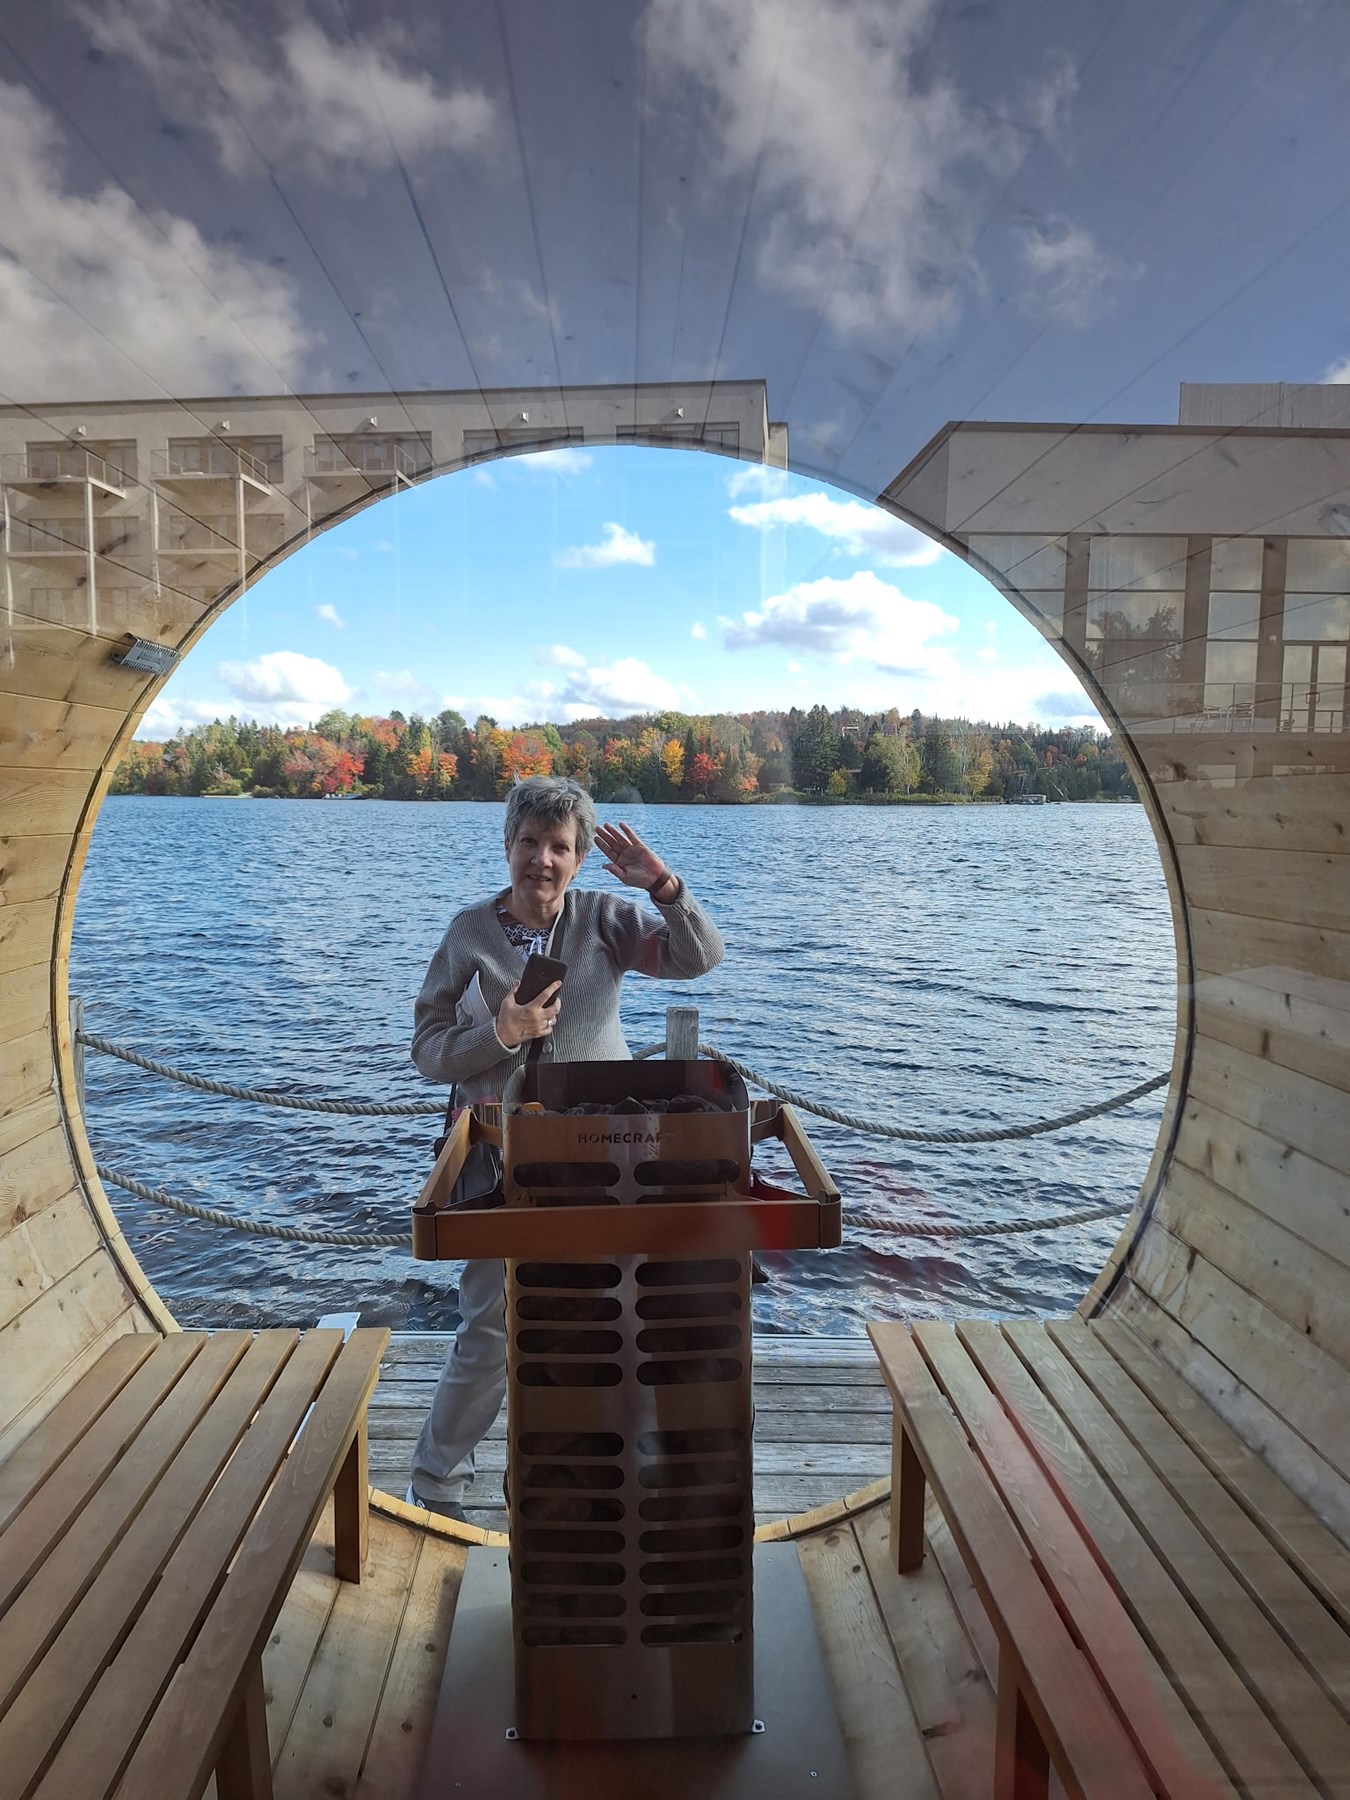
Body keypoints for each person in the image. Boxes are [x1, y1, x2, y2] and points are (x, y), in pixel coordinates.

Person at [406, 774, 725, 1520]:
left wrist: (666, 888)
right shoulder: (467, 935)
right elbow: (426, 1048)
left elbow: (700, 958)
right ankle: (435, 1482)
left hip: (598, 1161)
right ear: (507, 847)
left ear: (579, 858)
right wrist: (498, 1035)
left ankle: (589, 1478)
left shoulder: (606, 922)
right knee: (487, 1327)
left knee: (603, 1318)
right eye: (528, 842)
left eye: (559, 846)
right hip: (495, 1163)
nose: (541, 860)